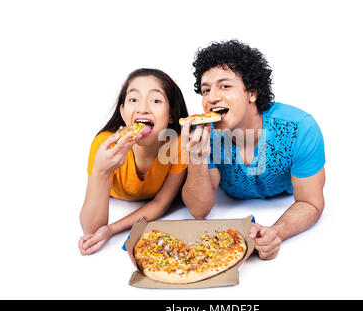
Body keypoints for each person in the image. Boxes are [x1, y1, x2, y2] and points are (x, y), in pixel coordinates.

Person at [181, 40, 326, 260]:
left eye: (225, 86)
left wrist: (275, 232)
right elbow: (199, 211)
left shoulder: (299, 129)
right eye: (205, 90)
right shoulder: (204, 135)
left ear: (252, 93)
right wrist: (196, 158)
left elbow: (310, 202)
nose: (211, 98)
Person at [79, 68, 189, 255]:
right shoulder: (104, 144)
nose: (143, 108)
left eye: (155, 100)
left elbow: (160, 204)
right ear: (122, 111)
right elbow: (91, 229)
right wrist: (101, 171)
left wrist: (112, 229)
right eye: (133, 100)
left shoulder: (178, 144)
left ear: (171, 114)